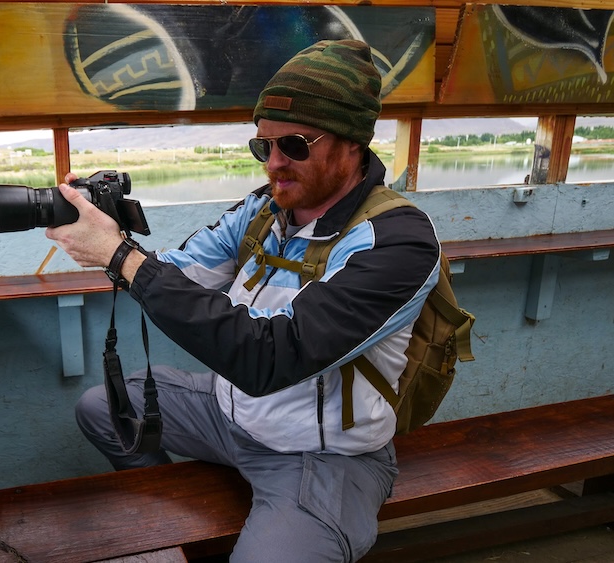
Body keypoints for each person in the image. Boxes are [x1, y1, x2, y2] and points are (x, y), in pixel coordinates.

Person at [45, 39, 442, 562]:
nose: (274, 164)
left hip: (322, 453)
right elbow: (176, 275)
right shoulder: (262, 210)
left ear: (352, 143)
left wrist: (120, 258)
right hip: (232, 414)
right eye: (263, 147)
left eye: (294, 146)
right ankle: (182, 522)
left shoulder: (397, 242)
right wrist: (111, 231)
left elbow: (270, 356)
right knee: (105, 408)